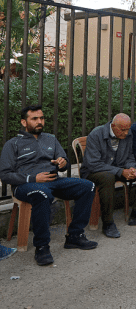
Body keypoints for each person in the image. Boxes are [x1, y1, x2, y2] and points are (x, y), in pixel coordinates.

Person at [0, 105, 97, 266]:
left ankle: (75, 235)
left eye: (42, 118)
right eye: (34, 119)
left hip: (54, 180)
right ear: (24, 122)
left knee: (88, 186)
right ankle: (42, 246)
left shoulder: (51, 139)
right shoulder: (13, 144)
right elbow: (5, 174)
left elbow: (64, 163)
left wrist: (63, 163)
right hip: (26, 185)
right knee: (42, 193)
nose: (40, 122)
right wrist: (33, 178)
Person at [81, 113, 136, 238]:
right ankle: (108, 223)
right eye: (123, 130)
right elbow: (93, 164)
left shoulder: (128, 133)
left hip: (118, 169)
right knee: (107, 177)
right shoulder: (96, 134)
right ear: (113, 126)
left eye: (128, 129)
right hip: (95, 172)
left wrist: (132, 168)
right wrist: (121, 171)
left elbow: (130, 156)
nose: (126, 133)